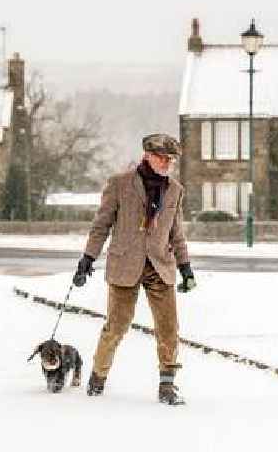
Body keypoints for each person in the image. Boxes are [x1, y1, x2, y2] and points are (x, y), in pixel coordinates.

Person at [72, 133, 196, 405]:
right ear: (148, 156)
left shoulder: (175, 189)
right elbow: (101, 225)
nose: (167, 163)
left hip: (160, 266)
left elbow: (177, 233)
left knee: (169, 328)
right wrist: (87, 259)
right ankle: (98, 377)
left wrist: (186, 268)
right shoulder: (120, 184)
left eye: (171, 160)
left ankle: (167, 385)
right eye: (163, 158)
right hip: (125, 264)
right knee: (116, 326)